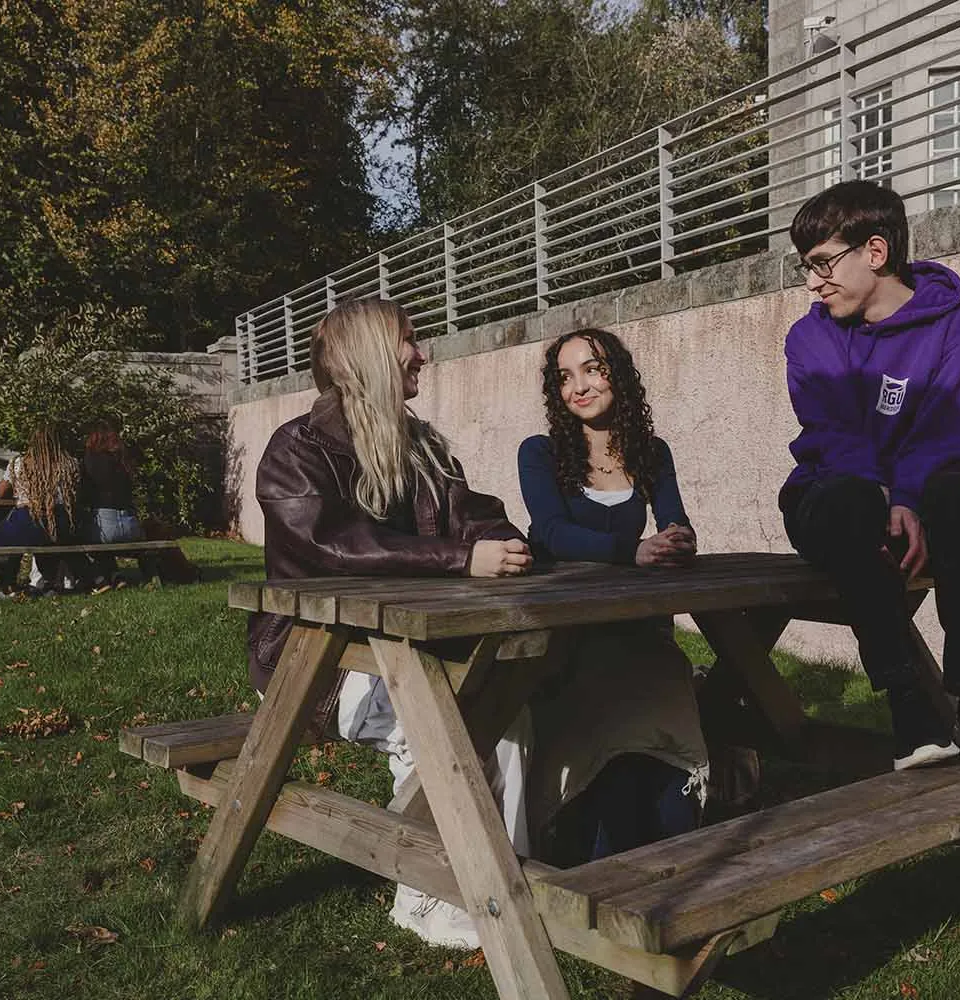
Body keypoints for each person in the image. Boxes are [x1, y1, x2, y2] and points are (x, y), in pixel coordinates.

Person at [250, 296, 533, 947]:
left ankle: (499, 882)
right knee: (431, 724)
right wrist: (462, 558)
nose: (423, 352)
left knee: (508, 709)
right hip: (314, 661)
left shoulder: (423, 447)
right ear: (371, 354)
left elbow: (477, 513)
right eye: (410, 339)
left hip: (410, 647)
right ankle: (427, 894)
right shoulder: (295, 449)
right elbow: (330, 546)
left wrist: (503, 543)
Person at [781, 179, 960, 770]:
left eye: (821, 264)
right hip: (836, 504)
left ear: (875, 252)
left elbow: (955, 432)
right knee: (850, 499)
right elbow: (832, 432)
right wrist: (891, 496)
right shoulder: (811, 337)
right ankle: (908, 700)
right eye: (805, 268)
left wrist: (911, 495)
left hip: (929, 508)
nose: (812, 283)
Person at [518, 329, 708, 865]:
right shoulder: (542, 453)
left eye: (592, 369)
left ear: (618, 374)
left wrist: (678, 538)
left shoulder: (650, 451)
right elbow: (551, 533)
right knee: (614, 780)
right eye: (564, 376)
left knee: (663, 789)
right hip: (570, 636)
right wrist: (635, 551)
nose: (578, 385)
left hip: (639, 630)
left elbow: (674, 518)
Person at [0, 425, 82, 599]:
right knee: (48, 539)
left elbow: (1, 493)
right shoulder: (71, 464)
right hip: (60, 521)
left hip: (28, 518)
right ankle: (49, 582)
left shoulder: (19, 463)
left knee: (0, 538)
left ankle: (9, 586)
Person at [80, 418, 146, 591]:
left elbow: (85, 493)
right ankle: (117, 575)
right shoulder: (123, 461)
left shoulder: (90, 459)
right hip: (131, 526)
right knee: (101, 538)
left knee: (82, 535)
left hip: (105, 523)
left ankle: (100, 578)